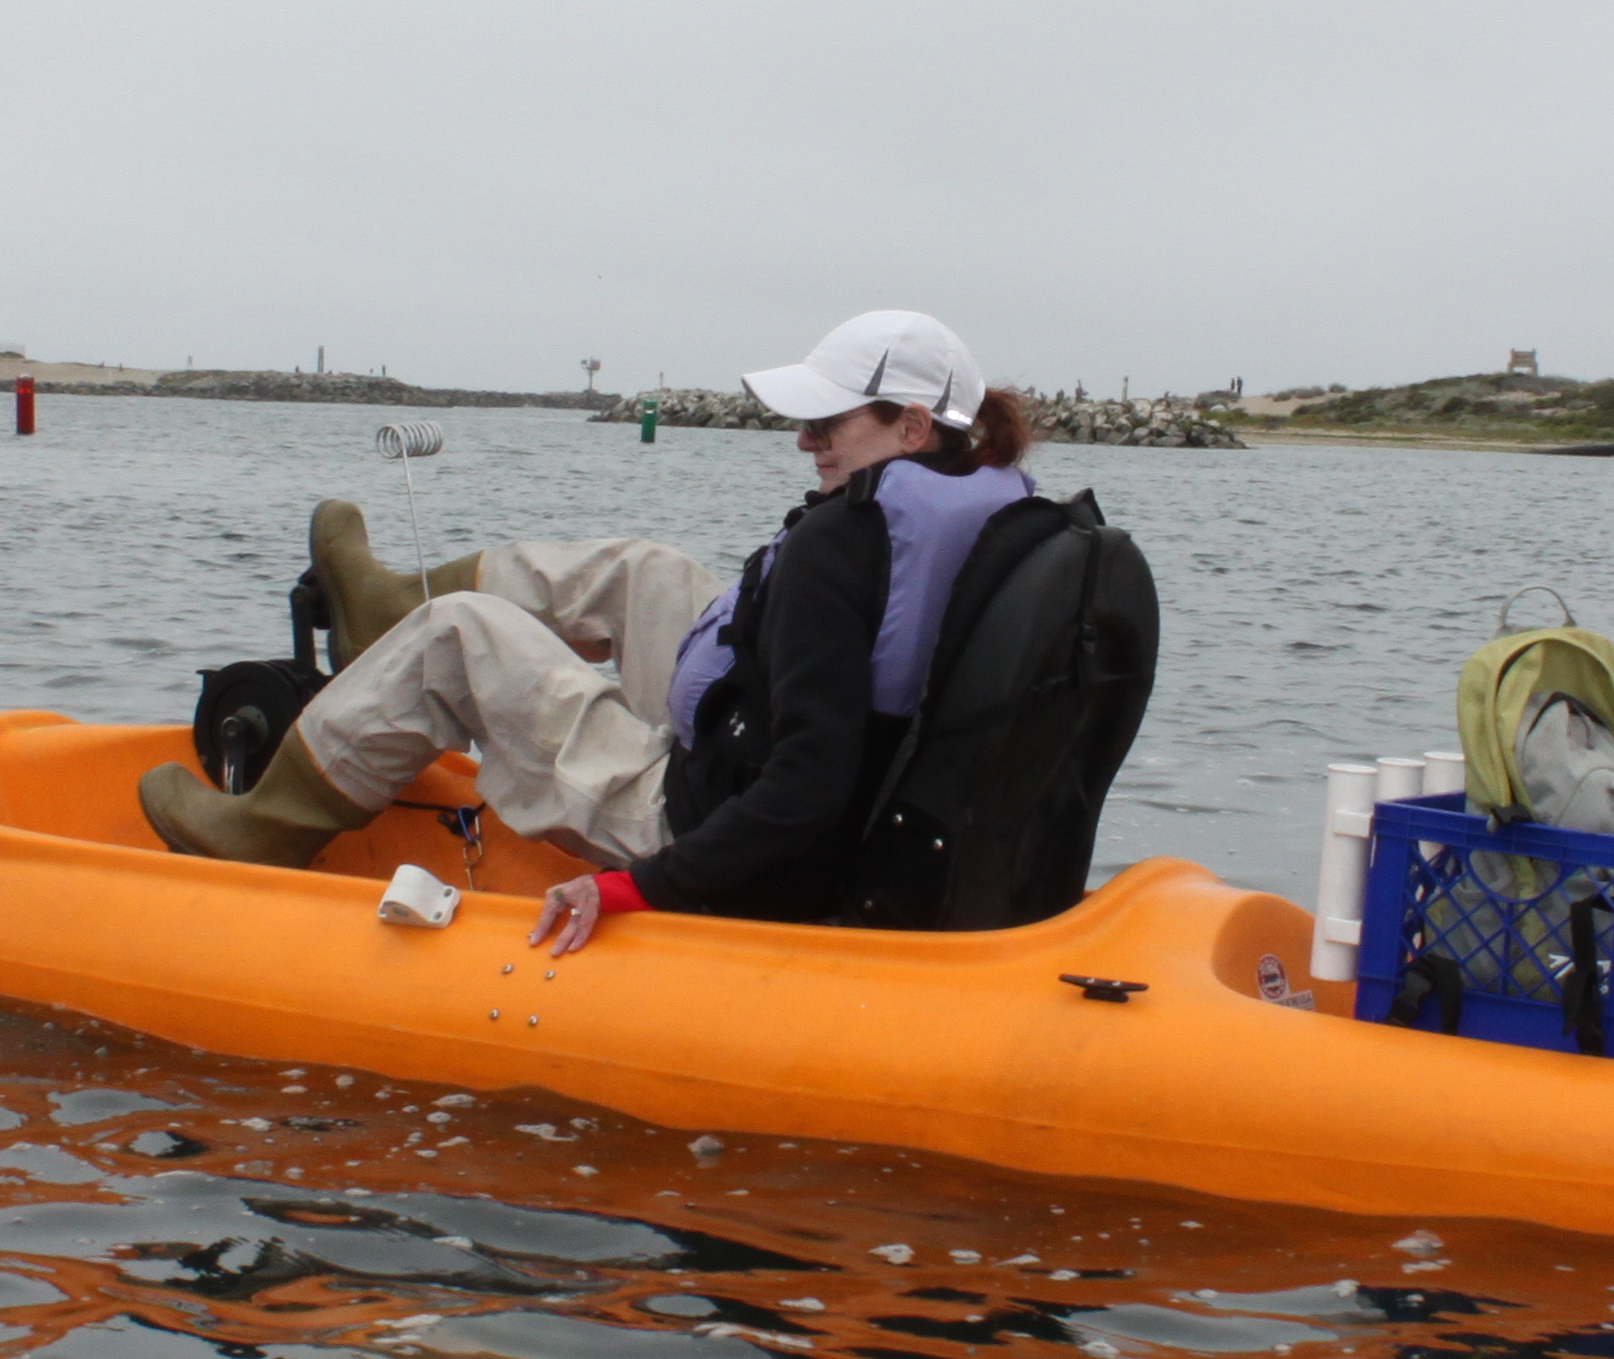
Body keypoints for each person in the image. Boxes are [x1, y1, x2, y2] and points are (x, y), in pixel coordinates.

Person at [138, 310, 1038, 951]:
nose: (804, 442)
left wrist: (636, 886)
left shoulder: (841, 546)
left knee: (459, 633)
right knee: (648, 572)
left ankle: (264, 828)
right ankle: (383, 613)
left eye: (824, 422)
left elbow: (808, 788)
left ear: (911, 426)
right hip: (774, 756)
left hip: (707, 823)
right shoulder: (976, 507)